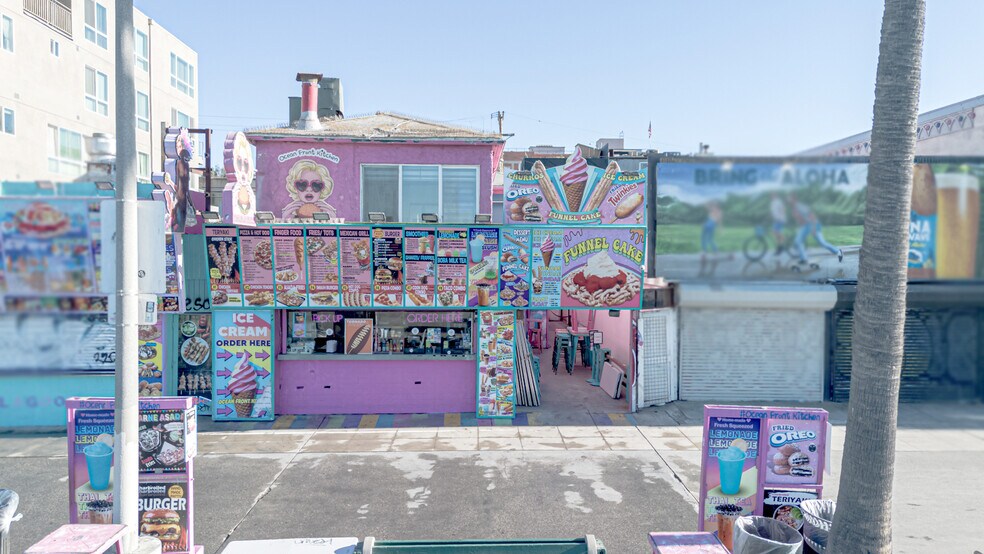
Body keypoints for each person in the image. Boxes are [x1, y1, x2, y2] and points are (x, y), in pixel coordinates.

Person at [789, 192, 843, 263]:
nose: (788, 200)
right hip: (806, 226)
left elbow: (812, 216)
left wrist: (813, 229)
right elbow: (802, 221)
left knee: (822, 242)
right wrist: (798, 218)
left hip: (813, 224)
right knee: (798, 241)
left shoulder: (801, 206)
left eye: (790, 198)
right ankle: (804, 258)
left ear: (794, 199)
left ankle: (838, 252)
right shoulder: (794, 209)